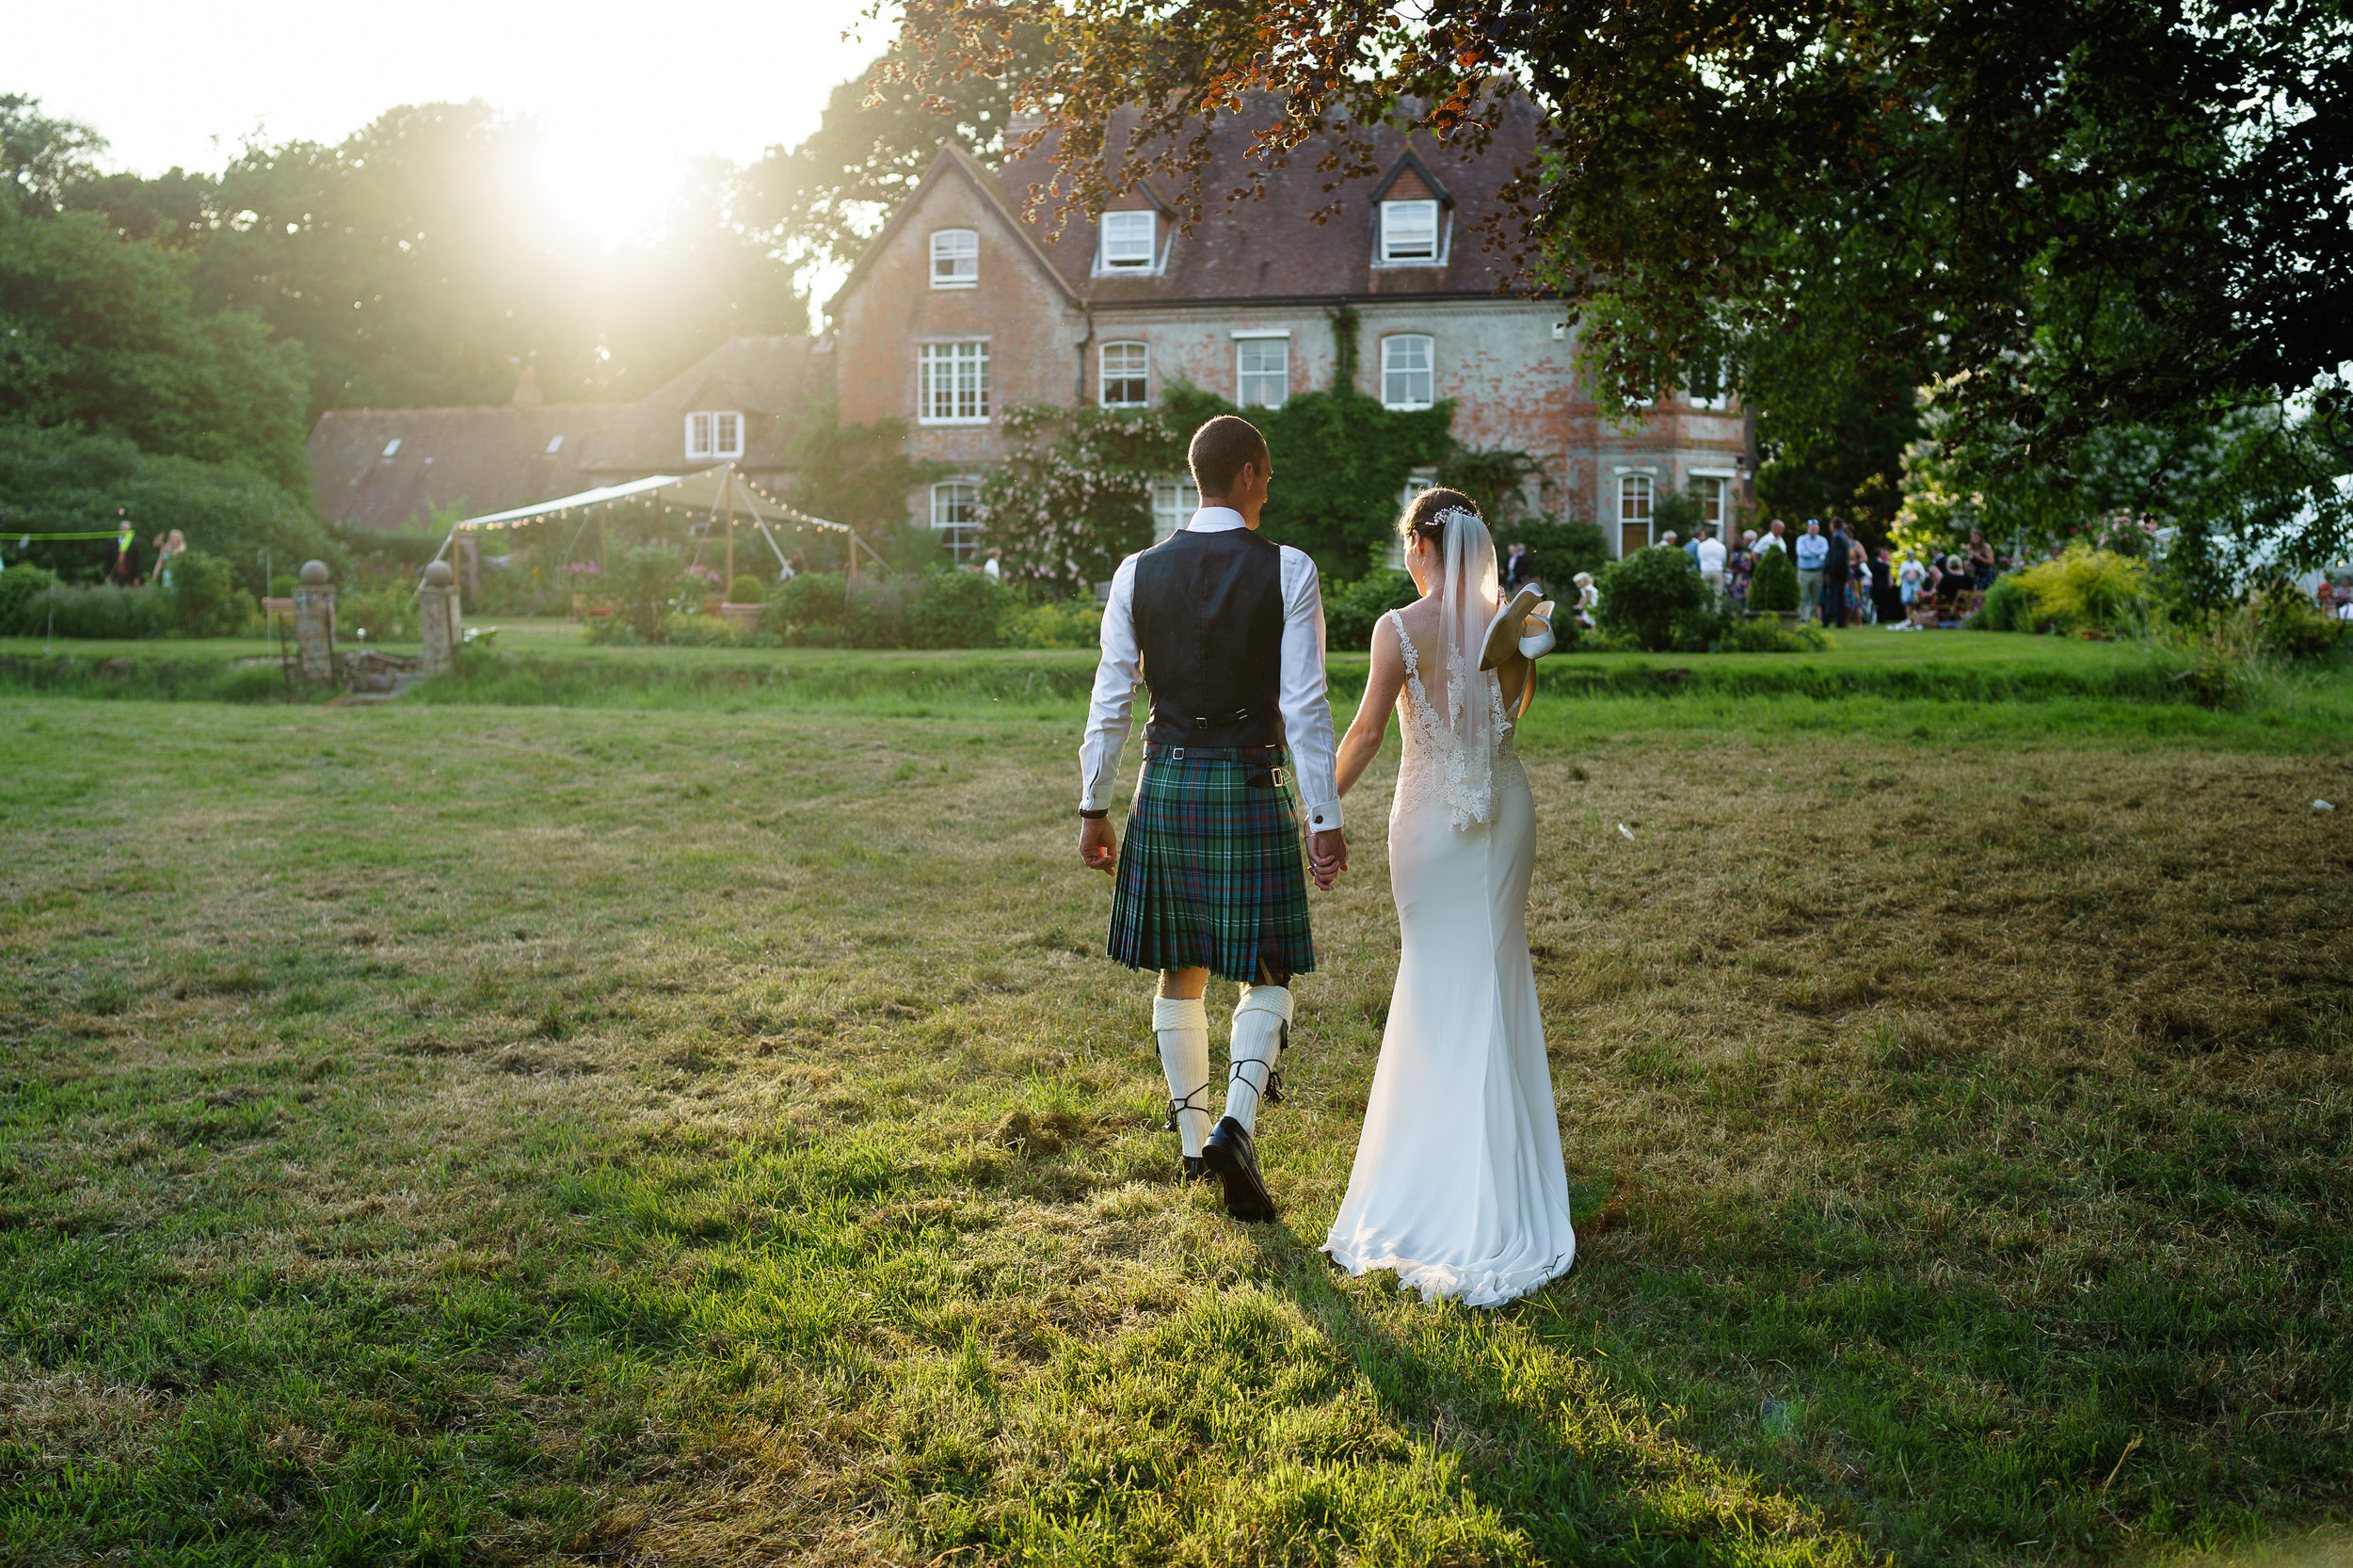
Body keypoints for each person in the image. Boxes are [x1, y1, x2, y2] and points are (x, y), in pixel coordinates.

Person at [1078, 414, 1346, 1223]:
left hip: (1166, 783)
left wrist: (1093, 801)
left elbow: (1111, 693)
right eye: (1267, 475)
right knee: (1265, 965)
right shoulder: (1288, 569)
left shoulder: (1135, 571)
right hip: (1246, 780)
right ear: (1252, 473)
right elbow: (1303, 703)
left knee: (1180, 961)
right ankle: (1235, 1126)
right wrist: (1323, 815)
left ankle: (1195, 1146)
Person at [1322, 488, 1575, 1305]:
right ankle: (1496, 1161)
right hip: (1503, 812)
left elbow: (1364, 732)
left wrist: (1319, 811)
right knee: (1494, 971)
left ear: (1423, 547)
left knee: (1436, 977)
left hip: (1429, 815)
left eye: (1408, 545)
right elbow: (1513, 716)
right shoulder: (1512, 625)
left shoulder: (1398, 627)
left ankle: (1438, 1166)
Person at [1794, 520, 1829, 622]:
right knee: (1802, 596)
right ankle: (1800, 619)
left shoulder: (1822, 540)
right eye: (1812, 529)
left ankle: (1812, 620)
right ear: (1808, 528)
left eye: (1816, 529)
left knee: (1815, 598)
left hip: (1817, 572)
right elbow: (1802, 553)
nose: (1814, 531)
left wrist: (1810, 551)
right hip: (1804, 571)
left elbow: (1824, 553)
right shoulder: (1801, 539)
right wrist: (1817, 554)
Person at [1822, 519, 1852, 628]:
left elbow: (1836, 557)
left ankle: (1826, 621)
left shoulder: (1838, 538)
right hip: (1842, 572)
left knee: (1832, 596)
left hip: (1837, 572)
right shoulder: (1843, 537)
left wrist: (1829, 570)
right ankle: (1840, 622)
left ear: (1833, 526)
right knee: (1840, 597)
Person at [1695, 524, 1727, 600]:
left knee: (1704, 594)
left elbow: (1699, 557)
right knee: (1718, 594)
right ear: (1716, 535)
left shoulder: (1701, 545)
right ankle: (1717, 611)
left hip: (1705, 570)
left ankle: (1704, 611)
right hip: (1717, 569)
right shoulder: (1721, 546)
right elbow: (1724, 559)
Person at [1727, 530, 1756, 612]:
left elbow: (1730, 565)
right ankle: (1745, 613)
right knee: (1745, 597)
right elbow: (1749, 567)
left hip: (1735, 578)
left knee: (1735, 597)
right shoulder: (1747, 555)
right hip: (1744, 578)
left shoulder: (1733, 555)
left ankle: (1735, 613)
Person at [1967, 527, 1998, 591]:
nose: (1974, 538)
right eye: (1972, 536)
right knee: (1979, 597)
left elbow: (1992, 563)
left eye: (1976, 536)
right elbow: (1972, 564)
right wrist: (1968, 565)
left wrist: (1979, 557)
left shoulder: (1986, 547)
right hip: (1978, 576)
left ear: (1981, 537)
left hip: (1987, 575)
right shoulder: (1970, 548)